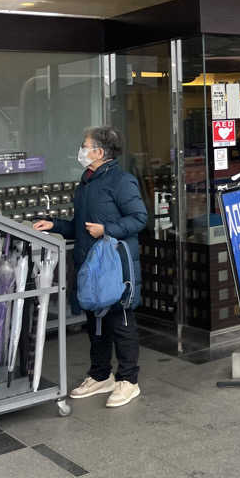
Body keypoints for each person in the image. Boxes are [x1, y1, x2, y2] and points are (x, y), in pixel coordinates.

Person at [34, 127, 147, 408]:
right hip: (90, 266)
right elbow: (81, 227)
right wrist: (55, 225)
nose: (81, 151)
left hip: (116, 265)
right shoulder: (86, 183)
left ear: (99, 152)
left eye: (85, 146)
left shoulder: (121, 181)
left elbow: (140, 218)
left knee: (120, 321)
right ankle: (100, 375)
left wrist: (107, 229)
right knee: (96, 323)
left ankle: (128, 381)